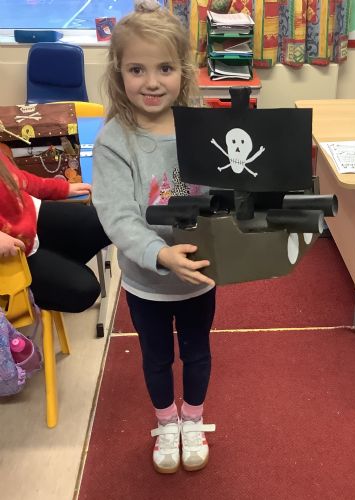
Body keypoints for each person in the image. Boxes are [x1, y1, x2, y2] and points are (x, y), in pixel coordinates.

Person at [92, 1, 217, 474]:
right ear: (119, 72)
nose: (151, 82)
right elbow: (118, 215)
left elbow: (222, 191)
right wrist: (160, 254)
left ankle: (193, 418)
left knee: (198, 351)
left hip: (200, 276)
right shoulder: (114, 140)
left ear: (182, 71)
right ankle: (166, 422)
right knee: (157, 357)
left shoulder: (200, 128)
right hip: (147, 284)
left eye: (164, 68)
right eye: (137, 69)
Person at [0, 146, 110, 312]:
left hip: (27, 219)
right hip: (13, 253)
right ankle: (23, 297)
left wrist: (62, 188)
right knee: (84, 290)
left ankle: (58, 272)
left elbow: (16, 179)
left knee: (104, 224)